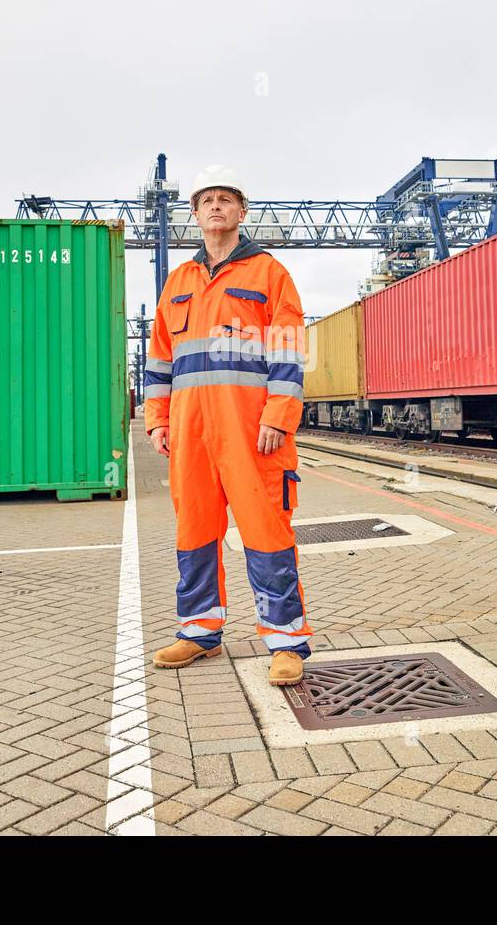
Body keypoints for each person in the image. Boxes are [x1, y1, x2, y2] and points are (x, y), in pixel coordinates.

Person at [143, 165, 312, 686]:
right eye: (206, 200)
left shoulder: (269, 274)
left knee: (265, 532)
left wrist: (278, 418)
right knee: (194, 529)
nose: (215, 207)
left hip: (251, 432)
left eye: (225, 199)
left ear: (242, 211)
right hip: (192, 433)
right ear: (194, 214)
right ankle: (198, 632)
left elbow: (288, 350)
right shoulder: (178, 282)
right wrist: (157, 420)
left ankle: (285, 642)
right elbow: (160, 360)